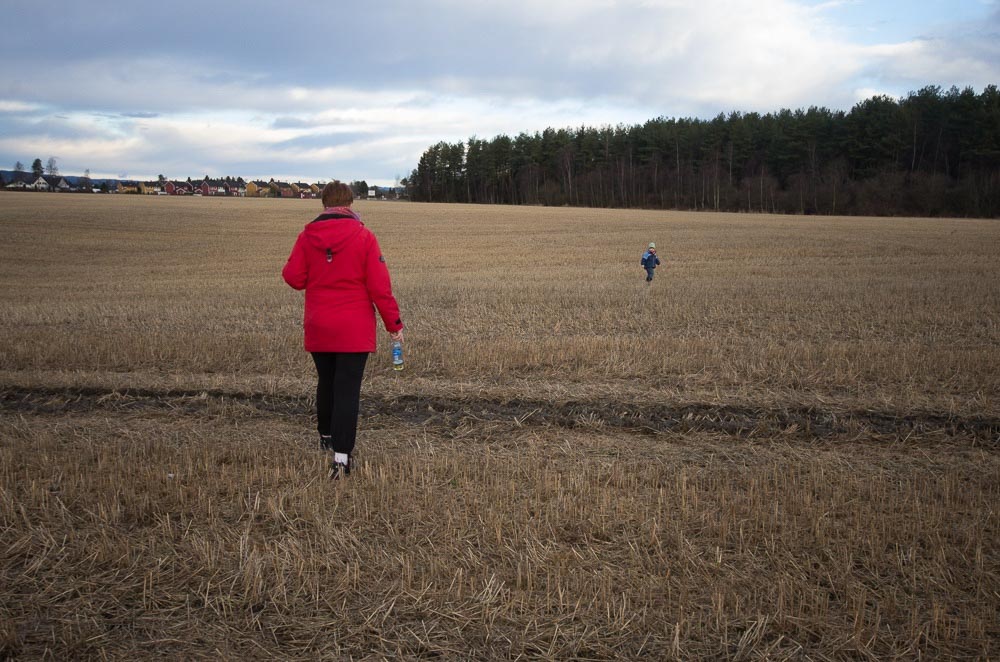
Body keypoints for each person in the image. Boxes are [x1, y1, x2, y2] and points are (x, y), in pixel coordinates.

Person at [282, 181, 403, 479]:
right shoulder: (364, 236)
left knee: (327, 381)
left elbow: (293, 277)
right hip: (353, 329)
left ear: (323, 204)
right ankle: (341, 459)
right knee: (347, 390)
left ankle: (326, 436)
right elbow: (380, 288)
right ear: (350, 204)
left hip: (319, 325)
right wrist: (394, 326)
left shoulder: (307, 235)